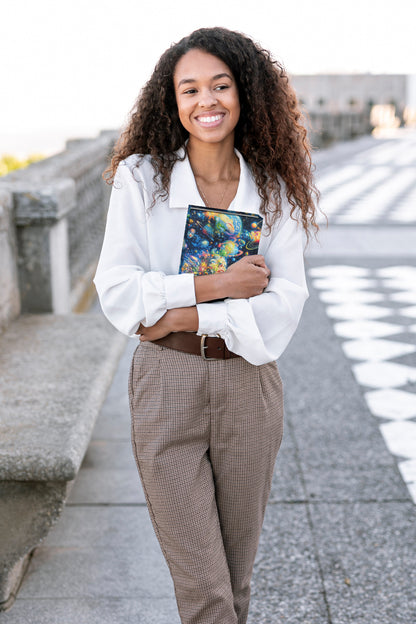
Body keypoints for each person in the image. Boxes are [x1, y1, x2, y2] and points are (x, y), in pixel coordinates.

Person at [94, 26, 318, 624]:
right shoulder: (141, 178)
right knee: (206, 592)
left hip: (250, 386)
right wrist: (220, 285)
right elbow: (118, 291)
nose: (206, 101)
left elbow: (285, 303)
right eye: (188, 89)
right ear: (173, 102)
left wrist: (177, 312)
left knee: (235, 585)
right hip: (167, 384)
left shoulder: (275, 190)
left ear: (243, 93)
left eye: (219, 85)